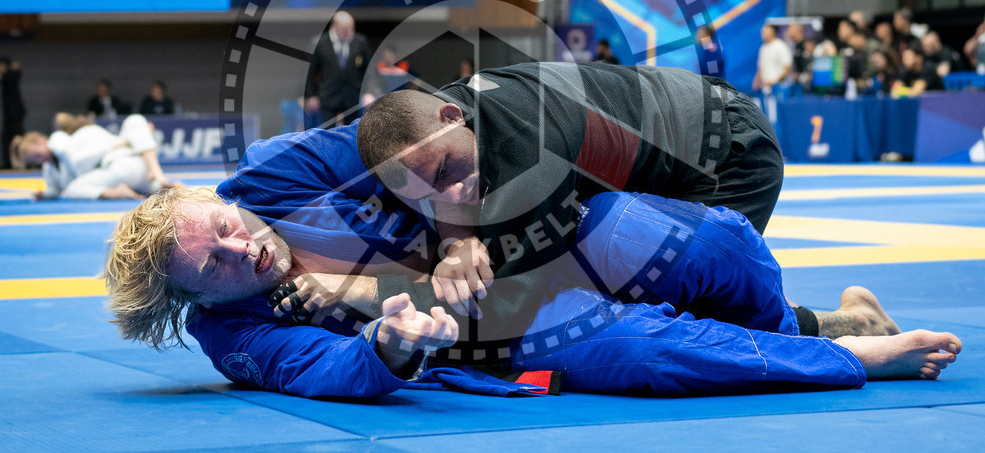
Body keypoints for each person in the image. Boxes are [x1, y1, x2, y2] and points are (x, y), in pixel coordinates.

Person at [103, 183, 961, 400]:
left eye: (219, 221)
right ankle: (849, 349)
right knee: (636, 348)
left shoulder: (293, 185)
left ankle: (810, 320)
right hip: (507, 327)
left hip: (530, 244)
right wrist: (386, 346)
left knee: (710, 241)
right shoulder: (240, 333)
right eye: (210, 264)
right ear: (195, 300)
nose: (235, 246)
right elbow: (319, 373)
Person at [356, 61, 786, 318]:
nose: (451, 196)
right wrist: (458, 242)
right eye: (428, 194)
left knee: (707, 313)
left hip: (727, 150)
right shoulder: (440, 115)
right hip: (673, 127)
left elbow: (504, 311)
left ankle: (846, 327)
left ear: (453, 117)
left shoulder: (533, 156)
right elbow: (434, 180)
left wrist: (366, 295)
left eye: (447, 170)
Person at [12, 113, 172, 200]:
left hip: (120, 164)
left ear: (42, 141)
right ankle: (158, 183)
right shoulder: (51, 167)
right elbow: (54, 189)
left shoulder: (60, 141)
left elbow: (78, 162)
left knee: (73, 188)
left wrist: (125, 141)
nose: (40, 160)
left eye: (38, 154)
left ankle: (155, 175)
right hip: (129, 166)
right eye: (35, 160)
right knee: (136, 122)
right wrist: (45, 194)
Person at [304, 11, 373, 127]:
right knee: (328, 132)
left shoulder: (360, 42)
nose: (348, 33)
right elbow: (309, 72)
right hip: (328, 96)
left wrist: (368, 92)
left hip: (352, 97)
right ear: (334, 27)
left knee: (353, 131)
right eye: (344, 30)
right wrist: (311, 95)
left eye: (351, 29)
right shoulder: (320, 43)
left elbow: (369, 70)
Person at [0, 56, 26, 169]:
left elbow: (8, 76)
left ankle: (24, 162)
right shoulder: (6, 76)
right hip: (8, 115)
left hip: (15, 114)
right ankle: (8, 164)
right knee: (6, 139)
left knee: (19, 137)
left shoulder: (12, 75)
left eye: (0, 65)